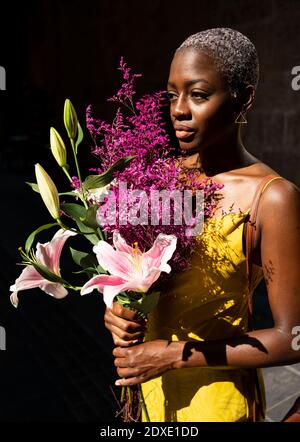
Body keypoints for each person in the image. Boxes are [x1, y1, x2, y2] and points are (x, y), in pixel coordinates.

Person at [104, 28, 300, 422]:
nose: (178, 109)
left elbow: (291, 340)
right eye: (171, 94)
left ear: (243, 98)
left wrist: (174, 356)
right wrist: (116, 311)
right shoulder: (158, 180)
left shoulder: (271, 197)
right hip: (147, 398)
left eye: (197, 94)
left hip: (218, 404)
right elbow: (133, 278)